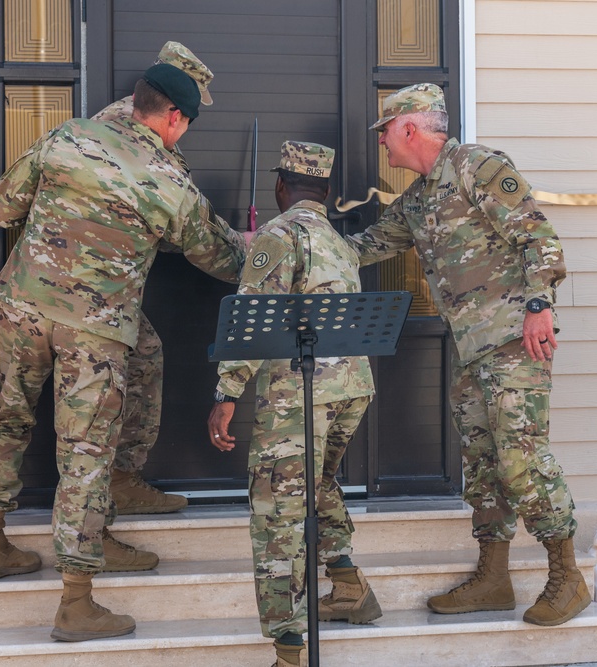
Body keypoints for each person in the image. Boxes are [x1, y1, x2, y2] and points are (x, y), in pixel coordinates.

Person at [0, 62, 246, 642]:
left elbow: (1, 207)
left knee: (6, 417)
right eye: (186, 125)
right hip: (93, 331)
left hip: (22, 304)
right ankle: (76, 602)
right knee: (85, 454)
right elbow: (221, 259)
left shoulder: (68, 136)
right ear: (173, 118)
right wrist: (255, 248)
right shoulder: (170, 181)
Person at [344, 83, 590, 627]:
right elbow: (362, 249)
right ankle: (494, 577)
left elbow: (538, 239)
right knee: (482, 465)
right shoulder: (413, 201)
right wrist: (295, 239)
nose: (382, 144)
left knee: (521, 457)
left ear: (409, 127)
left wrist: (538, 305)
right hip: (470, 350)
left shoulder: (477, 167)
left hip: (513, 340)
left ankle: (567, 574)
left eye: (384, 132)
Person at [207, 142, 381, 667]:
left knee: (278, 513)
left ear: (281, 188)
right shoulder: (340, 241)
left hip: (297, 393)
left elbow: (251, 316)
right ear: (325, 193)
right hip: (352, 386)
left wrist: (226, 393)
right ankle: (349, 584)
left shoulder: (279, 236)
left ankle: (288, 651)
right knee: (316, 482)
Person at [91, 42, 231, 518]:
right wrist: (255, 257)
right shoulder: (142, 139)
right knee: (132, 366)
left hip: (44, 280)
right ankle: (117, 485)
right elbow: (192, 227)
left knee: (18, 407)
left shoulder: (100, 122)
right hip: (99, 288)